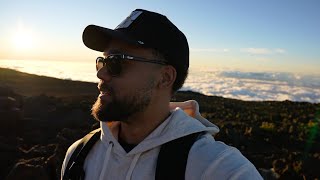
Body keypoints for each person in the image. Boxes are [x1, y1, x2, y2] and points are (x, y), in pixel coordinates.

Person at [61, 9, 263, 180]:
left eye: (116, 61)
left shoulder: (217, 168)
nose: (101, 73)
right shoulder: (79, 155)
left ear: (165, 77)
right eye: (102, 61)